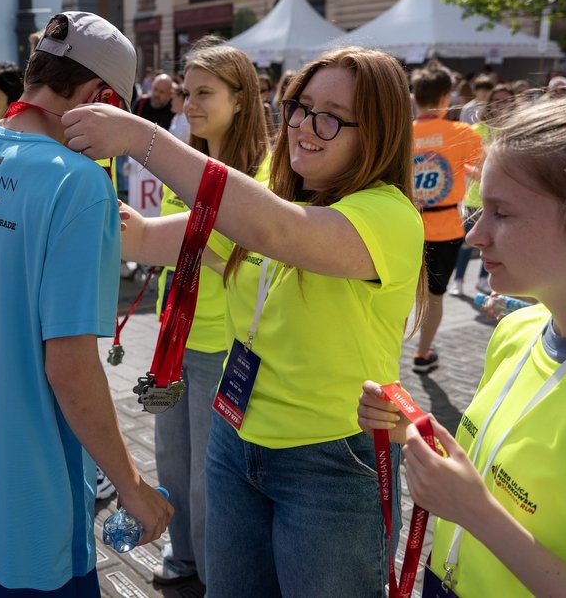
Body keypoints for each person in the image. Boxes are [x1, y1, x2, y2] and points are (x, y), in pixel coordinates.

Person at [63, 46, 425, 597]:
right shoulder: (268, 198)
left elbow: (277, 232)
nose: (305, 127)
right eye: (301, 107)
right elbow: (139, 238)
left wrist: (140, 136)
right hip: (235, 439)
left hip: (328, 460)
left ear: (377, 131)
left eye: (330, 117)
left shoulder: (390, 214)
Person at [359, 95, 566, 597]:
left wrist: (475, 513)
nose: (474, 235)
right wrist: (419, 435)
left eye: (501, 214)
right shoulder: (522, 330)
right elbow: (503, 467)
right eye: (479, 209)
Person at [0, 11, 173, 595]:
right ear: (99, 98)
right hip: (32, 500)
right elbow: (69, 367)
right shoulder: (78, 183)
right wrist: (131, 487)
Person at [150, 40, 271, 586]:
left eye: (204, 93)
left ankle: (215, 576)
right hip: (172, 338)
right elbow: (170, 246)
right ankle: (185, 559)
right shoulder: (185, 162)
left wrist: (140, 237)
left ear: (241, 99)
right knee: (172, 465)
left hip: (224, 346)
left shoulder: (264, 174)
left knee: (209, 476)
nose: (189, 104)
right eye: (185, 91)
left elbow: (222, 251)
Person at [409, 61, 483, 372]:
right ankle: (422, 353)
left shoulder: (403, 134)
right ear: (445, 98)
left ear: (415, 97)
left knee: (400, 296)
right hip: (445, 229)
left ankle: (384, 358)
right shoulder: (462, 133)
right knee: (435, 297)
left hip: (405, 225)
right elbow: (483, 173)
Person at [450, 83, 515, 297]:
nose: (501, 106)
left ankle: (482, 280)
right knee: (467, 243)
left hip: (503, 199)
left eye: (506, 101)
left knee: (493, 243)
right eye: (497, 101)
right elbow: (461, 162)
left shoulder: (515, 131)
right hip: (474, 198)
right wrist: (481, 173)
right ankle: (458, 280)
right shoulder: (476, 130)